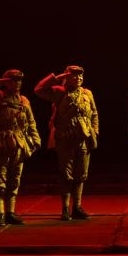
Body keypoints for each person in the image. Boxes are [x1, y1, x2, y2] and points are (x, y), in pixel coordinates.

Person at [0, 69, 42, 226]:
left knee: (14, 180)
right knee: (0, 181)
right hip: (1, 144)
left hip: (19, 144)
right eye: (13, 80)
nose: (17, 83)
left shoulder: (24, 101)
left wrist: (35, 140)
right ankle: (0, 214)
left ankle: (10, 212)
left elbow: (31, 122)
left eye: (19, 80)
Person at [34, 65, 99, 221]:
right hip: (65, 138)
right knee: (67, 174)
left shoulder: (87, 93)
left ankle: (77, 207)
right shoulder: (59, 92)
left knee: (81, 174)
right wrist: (57, 77)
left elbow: (94, 113)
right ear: (67, 77)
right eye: (75, 76)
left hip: (83, 137)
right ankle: (65, 208)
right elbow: (39, 89)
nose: (79, 78)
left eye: (81, 76)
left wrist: (95, 131)